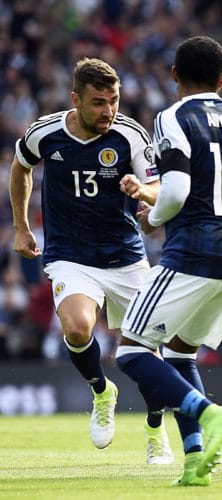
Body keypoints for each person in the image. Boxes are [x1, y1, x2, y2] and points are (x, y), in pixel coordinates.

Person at [115, 35, 222, 486]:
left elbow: (175, 192)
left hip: (190, 252)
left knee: (131, 352)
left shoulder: (172, 117)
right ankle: (195, 460)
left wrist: (153, 217)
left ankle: (208, 413)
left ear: (174, 75)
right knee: (179, 353)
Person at [8, 57, 174, 463]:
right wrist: (21, 226)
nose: (108, 111)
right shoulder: (44, 133)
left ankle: (156, 428)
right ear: (75, 99)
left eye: (114, 101)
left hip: (125, 255)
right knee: (79, 328)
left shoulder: (130, 135)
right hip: (70, 255)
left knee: (146, 353)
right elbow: (20, 168)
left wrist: (143, 190)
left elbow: (158, 186)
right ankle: (102, 392)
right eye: (99, 102)